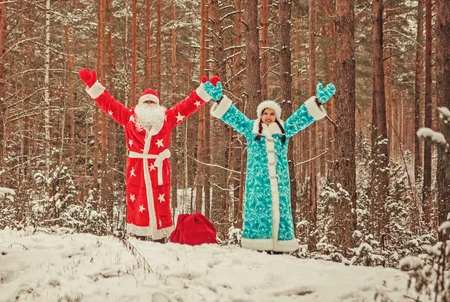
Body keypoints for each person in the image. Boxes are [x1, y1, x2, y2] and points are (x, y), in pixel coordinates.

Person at [78, 68, 220, 241]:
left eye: (153, 103)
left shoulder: (167, 118)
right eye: (146, 103)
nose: (149, 106)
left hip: (158, 167)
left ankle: (160, 236)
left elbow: (187, 106)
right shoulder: (129, 117)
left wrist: (203, 92)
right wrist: (94, 85)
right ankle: (138, 234)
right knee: (137, 202)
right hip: (136, 168)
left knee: (160, 201)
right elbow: (109, 104)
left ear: (158, 106)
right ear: (140, 105)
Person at [204, 81, 336, 252]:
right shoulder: (251, 129)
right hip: (257, 182)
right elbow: (234, 115)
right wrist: (220, 98)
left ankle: (281, 244)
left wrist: (318, 101)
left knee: (280, 210)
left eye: (272, 114)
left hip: (279, 182)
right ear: (260, 115)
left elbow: (301, 116)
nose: (268, 116)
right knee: (257, 210)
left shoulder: (284, 130)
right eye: (265, 113)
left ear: (276, 116)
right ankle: (257, 243)